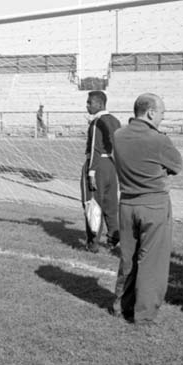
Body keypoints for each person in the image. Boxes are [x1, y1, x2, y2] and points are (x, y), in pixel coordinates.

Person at [112, 93, 183, 324]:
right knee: (152, 261)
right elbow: (177, 165)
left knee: (128, 258)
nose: (162, 117)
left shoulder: (119, 135)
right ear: (151, 112)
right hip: (153, 205)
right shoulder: (158, 140)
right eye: (162, 113)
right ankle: (144, 314)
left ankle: (121, 306)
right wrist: (160, 173)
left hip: (127, 204)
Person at [80, 90, 121, 253]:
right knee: (111, 204)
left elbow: (94, 148)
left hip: (97, 166)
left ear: (99, 104)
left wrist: (91, 172)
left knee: (92, 203)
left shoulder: (97, 122)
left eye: (89, 102)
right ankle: (113, 236)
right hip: (111, 166)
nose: (87, 105)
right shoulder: (116, 121)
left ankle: (93, 242)